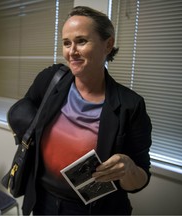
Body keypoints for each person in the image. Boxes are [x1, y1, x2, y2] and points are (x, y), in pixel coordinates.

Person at [18, 6, 152, 215]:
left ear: (108, 44)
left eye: (81, 41)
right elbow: (24, 108)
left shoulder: (130, 105)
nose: (72, 51)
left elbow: (139, 181)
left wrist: (128, 167)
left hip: (94, 209)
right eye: (66, 43)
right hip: (42, 200)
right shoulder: (51, 80)